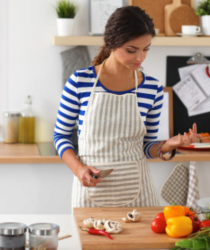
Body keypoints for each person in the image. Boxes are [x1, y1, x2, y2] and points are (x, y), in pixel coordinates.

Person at [54, 6, 198, 208]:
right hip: (91, 194)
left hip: (140, 195)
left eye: (146, 49)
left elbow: (147, 148)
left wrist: (167, 146)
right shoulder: (80, 81)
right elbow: (60, 136)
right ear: (112, 42)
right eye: (132, 50)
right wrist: (78, 169)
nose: (140, 58)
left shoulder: (152, 89)